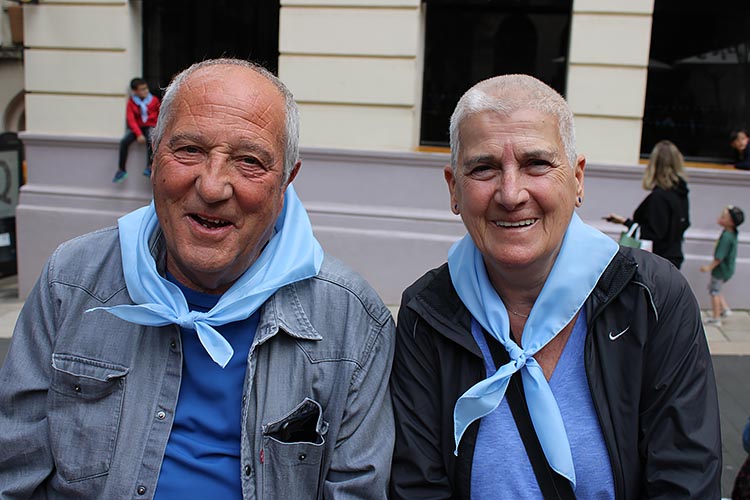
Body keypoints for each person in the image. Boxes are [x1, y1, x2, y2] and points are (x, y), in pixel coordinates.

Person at [0, 59, 395, 498]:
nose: (211, 187)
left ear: (286, 180)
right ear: (154, 155)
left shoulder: (351, 320)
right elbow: (13, 469)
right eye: (189, 150)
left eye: (249, 161)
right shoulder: (71, 282)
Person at [390, 75, 721, 499]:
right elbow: (418, 487)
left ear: (577, 179)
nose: (511, 194)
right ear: (454, 188)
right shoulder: (426, 313)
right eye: (484, 168)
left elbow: (686, 479)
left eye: (536, 164)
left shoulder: (651, 297)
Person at [605, 140, 690, 269]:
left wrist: (629, 224)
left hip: (656, 263)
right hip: (673, 259)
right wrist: (625, 222)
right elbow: (682, 224)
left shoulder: (659, 198)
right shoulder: (681, 194)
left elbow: (653, 234)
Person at [700, 204, 744, 326]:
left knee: (714, 291)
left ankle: (716, 318)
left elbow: (719, 257)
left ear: (731, 222)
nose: (720, 218)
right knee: (717, 289)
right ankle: (725, 309)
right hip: (727, 269)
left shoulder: (726, 237)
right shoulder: (732, 233)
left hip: (720, 270)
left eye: (723, 217)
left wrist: (708, 267)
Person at [113, 77, 161, 183]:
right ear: (135, 91)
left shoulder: (154, 100)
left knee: (150, 138)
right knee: (124, 142)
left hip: (150, 125)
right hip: (138, 127)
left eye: (146, 88)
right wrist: (138, 134)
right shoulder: (132, 102)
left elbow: (160, 115)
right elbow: (131, 119)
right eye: (142, 89)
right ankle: (121, 169)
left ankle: (150, 166)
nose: (146, 91)